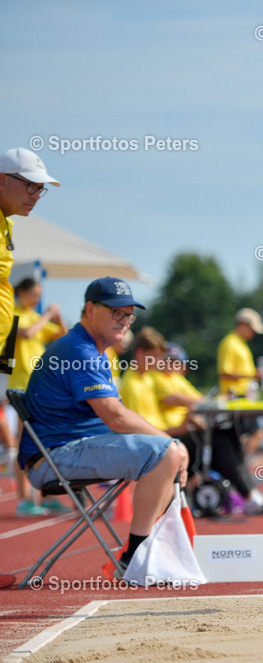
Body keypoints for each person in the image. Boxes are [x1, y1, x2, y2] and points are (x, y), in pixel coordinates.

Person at [16, 277, 189, 573]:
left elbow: (115, 417)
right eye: (116, 312)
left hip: (63, 450)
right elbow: (116, 416)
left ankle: (144, 553)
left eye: (129, 315)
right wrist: (174, 444)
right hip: (52, 458)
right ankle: (136, 558)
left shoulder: (94, 351)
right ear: (90, 310)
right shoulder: (79, 350)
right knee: (167, 452)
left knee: (167, 452)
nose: (124, 321)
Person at [0, 149, 60, 583]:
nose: (37, 194)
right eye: (30, 184)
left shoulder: (5, 224)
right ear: (2, 179)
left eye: (41, 187)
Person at [149, 339, 263, 515]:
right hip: (171, 435)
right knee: (219, 443)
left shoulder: (174, 378)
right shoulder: (158, 379)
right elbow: (178, 399)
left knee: (228, 436)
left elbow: (197, 398)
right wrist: (210, 403)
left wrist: (213, 401)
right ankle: (249, 497)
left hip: (183, 431)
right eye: (171, 361)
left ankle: (250, 494)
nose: (175, 366)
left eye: (177, 362)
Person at [9, 277, 68, 517]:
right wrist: (46, 315)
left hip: (40, 385)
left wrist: (58, 317)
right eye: (33, 294)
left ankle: (44, 494)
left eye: (39, 294)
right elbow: (27, 333)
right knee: (24, 442)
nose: (37, 299)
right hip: (21, 386)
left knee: (44, 442)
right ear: (21, 293)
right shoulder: (12, 313)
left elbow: (61, 335)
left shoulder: (35, 315)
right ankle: (23, 500)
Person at [218, 307, 263, 456]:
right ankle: (238, 467)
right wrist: (252, 375)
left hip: (245, 397)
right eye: (252, 328)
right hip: (236, 398)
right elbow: (224, 373)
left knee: (247, 437)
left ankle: (238, 466)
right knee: (254, 434)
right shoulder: (230, 343)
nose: (253, 333)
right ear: (243, 324)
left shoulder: (241, 345)